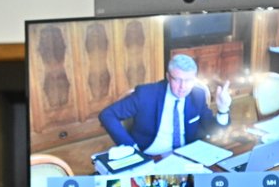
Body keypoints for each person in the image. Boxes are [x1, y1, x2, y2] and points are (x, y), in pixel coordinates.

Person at [98, 53, 233, 156]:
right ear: (168, 77)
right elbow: (108, 115)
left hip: (187, 156)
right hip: (151, 156)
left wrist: (223, 110)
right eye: (177, 80)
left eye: (189, 80)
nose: (183, 87)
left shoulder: (197, 95)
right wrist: (130, 147)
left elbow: (212, 130)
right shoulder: (146, 94)